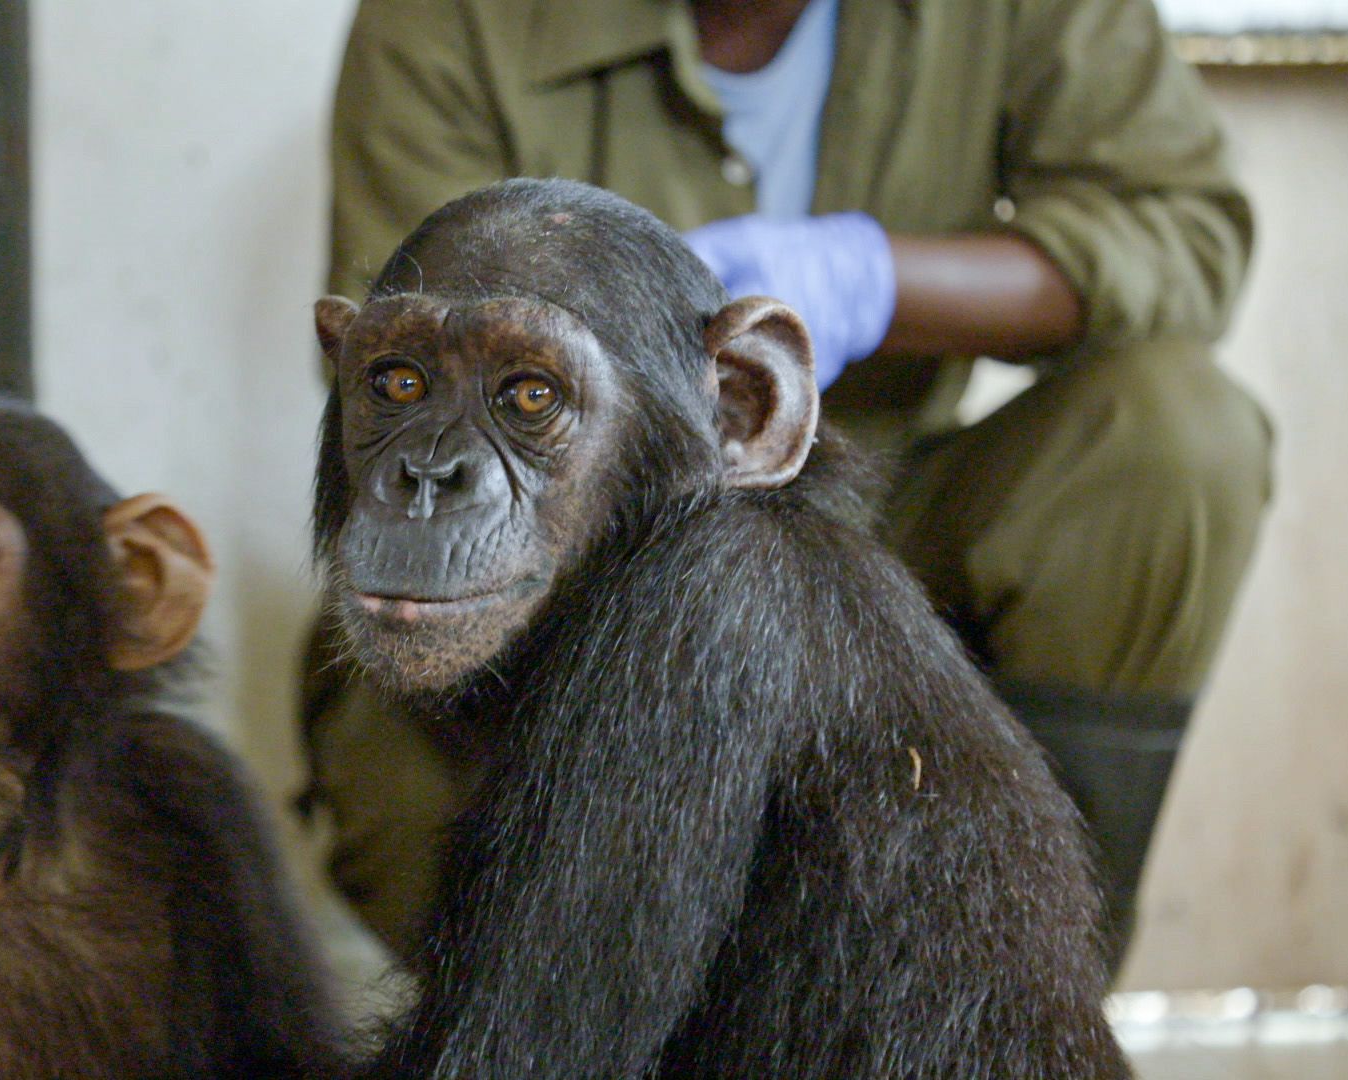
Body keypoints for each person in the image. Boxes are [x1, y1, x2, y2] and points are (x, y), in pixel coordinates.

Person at [303, 0, 1271, 973]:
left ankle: (1034, 983)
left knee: (1173, 438)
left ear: (756, 402)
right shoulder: (449, 20)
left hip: (894, 513)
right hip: (591, 555)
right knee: (400, 730)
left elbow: (1184, 232)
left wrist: (880, 282)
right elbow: (405, 368)